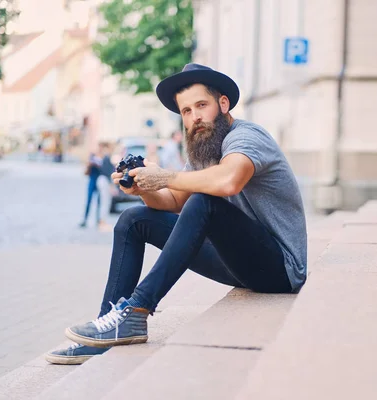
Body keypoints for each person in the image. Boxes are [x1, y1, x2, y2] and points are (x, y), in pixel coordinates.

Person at [46, 63, 307, 365]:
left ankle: (138, 309)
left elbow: (228, 181)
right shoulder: (205, 149)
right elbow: (172, 201)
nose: (195, 117)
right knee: (134, 220)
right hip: (239, 264)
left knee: (204, 202)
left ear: (223, 104)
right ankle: (108, 326)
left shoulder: (246, 137)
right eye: (186, 111)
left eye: (201, 105)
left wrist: (164, 176)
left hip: (281, 270)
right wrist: (143, 188)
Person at [79, 150, 103, 228]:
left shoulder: (101, 161)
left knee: (99, 202)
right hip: (92, 182)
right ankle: (85, 220)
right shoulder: (90, 163)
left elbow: (104, 170)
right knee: (89, 201)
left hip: (98, 182)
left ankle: (98, 220)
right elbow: (86, 173)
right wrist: (89, 165)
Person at [96, 142, 115, 231]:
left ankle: (102, 221)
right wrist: (111, 186)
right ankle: (102, 222)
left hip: (102, 180)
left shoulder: (106, 158)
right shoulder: (107, 158)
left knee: (104, 202)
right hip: (104, 181)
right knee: (105, 202)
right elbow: (108, 173)